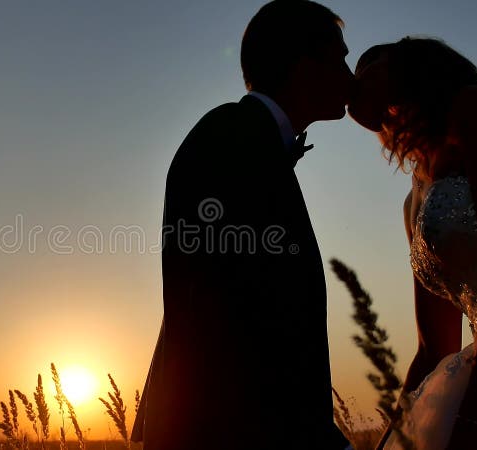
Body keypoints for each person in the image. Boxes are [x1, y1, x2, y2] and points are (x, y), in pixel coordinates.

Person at [131, 1, 355, 449]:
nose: (350, 78)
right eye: (340, 60)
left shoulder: (247, 136)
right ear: (305, 67)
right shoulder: (230, 136)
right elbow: (230, 311)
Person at [349, 37, 477, 450]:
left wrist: (476, 423)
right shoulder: (416, 197)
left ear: (413, 63)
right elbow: (434, 346)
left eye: (370, 63)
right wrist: (393, 438)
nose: (355, 75)